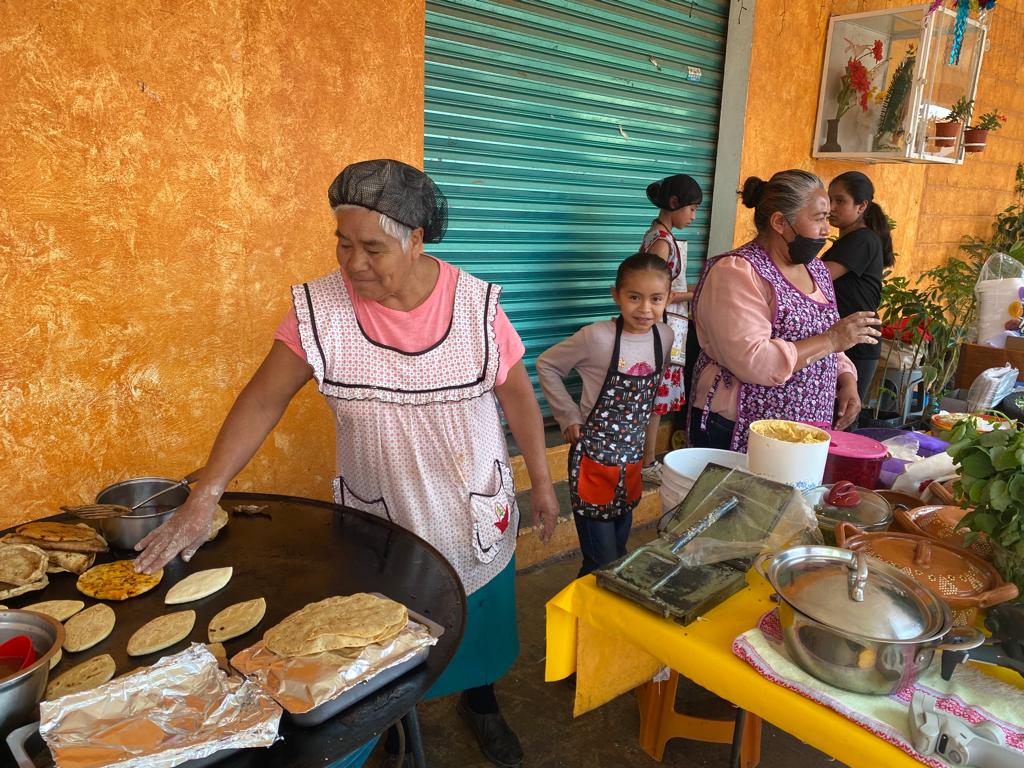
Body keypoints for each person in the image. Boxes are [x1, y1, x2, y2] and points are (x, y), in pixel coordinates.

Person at [134, 159, 560, 768]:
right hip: (380, 512)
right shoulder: (320, 311)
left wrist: (539, 482)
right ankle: (395, 725)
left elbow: (517, 393)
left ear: (416, 240)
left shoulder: (476, 307)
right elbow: (263, 398)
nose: (354, 262)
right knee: (379, 640)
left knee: (477, 624)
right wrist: (205, 494)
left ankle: (482, 703)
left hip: (471, 509)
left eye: (372, 248)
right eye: (342, 243)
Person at [688, 170, 881, 451]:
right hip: (739, 428)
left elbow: (828, 337)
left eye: (827, 218)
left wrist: (846, 379)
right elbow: (754, 360)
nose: (826, 230)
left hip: (803, 432)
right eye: (818, 218)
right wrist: (831, 340)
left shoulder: (816, 270)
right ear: (780, 221)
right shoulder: (738, 271)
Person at [536, 253, 673, 576]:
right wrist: (568, 415)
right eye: (634, 297)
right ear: (616, 295)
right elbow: (547, 365)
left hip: (631, 464)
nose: (645, 309)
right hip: (593, 463)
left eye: (656, 299)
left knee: (620, 553)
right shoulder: (596, 337)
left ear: (668, 298)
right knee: (601, 562)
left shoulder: (664, 337)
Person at [637, 174, 700, 483]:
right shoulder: (662, 242)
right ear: (674, 204)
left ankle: (643, 459)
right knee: (653, 404)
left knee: (652, 401)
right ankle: (647, 462)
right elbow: (653, 293)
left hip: (666, 328)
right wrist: (694, 292)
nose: (693, 216)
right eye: (691, 208)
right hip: (661, 329)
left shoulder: (658, 235)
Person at [822, 170, 894, 404]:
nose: (831, 207)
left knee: (842, 419)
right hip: (848, 339)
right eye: (829, 199)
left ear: (861, 206)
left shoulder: (862, 240)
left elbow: (818, 279)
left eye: (840, 201)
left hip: (856, 346)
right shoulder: (852, 240)